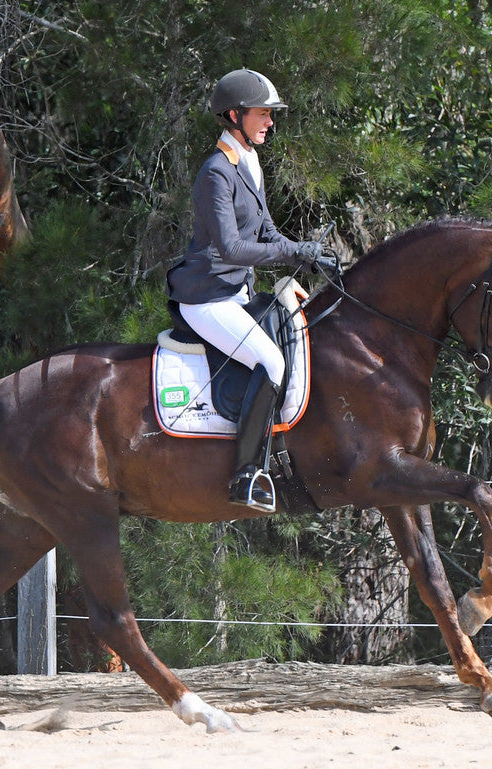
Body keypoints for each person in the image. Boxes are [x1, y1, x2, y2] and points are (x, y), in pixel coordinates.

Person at [166, 69, 332, 512]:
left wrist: (306, 253)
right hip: (207, 297)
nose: (270, 122)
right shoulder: (215, 173)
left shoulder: (250, 162)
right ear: (235, 115)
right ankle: (245, 476)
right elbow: (233, 247)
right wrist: (295, 251)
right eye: (264, 114)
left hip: (235, 292)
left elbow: (268, 232)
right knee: (271, 361)